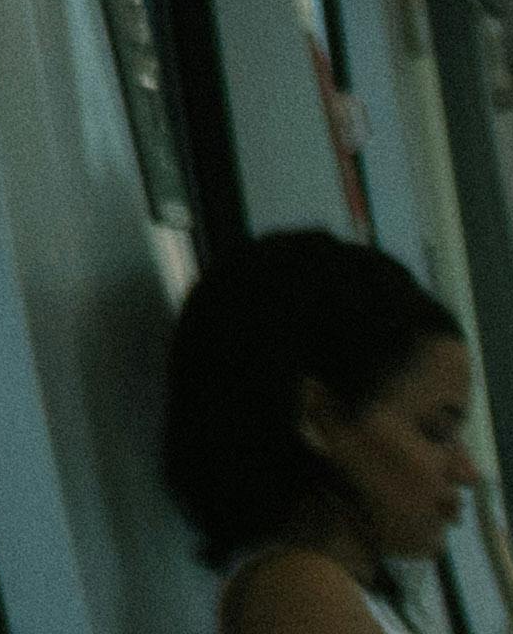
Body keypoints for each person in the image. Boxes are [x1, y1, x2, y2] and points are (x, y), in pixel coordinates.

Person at [161, 231, 487, 634]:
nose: (467, 470)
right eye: (436, 431)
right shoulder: (297, 592)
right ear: (319, 419)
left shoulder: (338, 591)